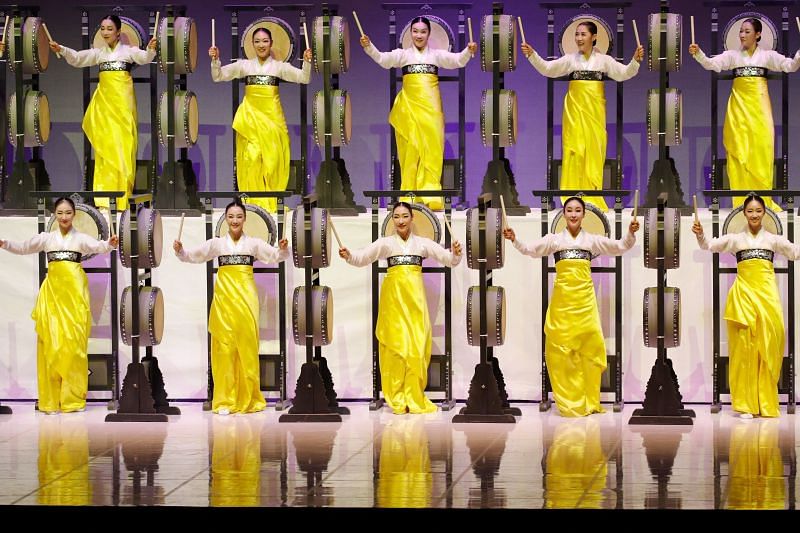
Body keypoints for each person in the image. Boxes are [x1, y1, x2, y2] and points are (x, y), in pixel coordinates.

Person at [503, 196, 639, 416]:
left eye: (578, 210)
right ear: (564, 215)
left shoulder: (592, 240)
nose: (574, 214)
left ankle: (589, 399)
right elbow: (529, 250)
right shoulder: (555, 240)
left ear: (584, 215)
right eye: (569, 210)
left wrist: (631, 233)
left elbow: (621, 246)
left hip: (585, 303)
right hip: (562, 304)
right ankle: (569, 401)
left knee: (591, 348)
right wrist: (514, 239)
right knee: (560, 352)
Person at [339, 201, 462, 413]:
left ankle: (414, 396)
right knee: (395, 351)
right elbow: (361, 258)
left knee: (416, 349)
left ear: (412, 219)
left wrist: (456, 253)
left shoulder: (423, 244)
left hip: (415, 305)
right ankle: (396, 397)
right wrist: (348, 255)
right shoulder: (386, 243)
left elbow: (450, 260)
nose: (401, 221)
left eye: (405, 216)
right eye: (396, 216)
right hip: (393, 305)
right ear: (392, 220)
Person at [0, 197, 119, 414]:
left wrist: (109, 245)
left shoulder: (81, 239)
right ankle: (51, 401)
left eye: (68, 213)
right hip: (53, 296)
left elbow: (99, 246)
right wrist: (5, 243)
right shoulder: (47, 238)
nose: (64, 217)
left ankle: (73, 400)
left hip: (74, 298)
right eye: (60, 213)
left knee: (74, 348)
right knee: (50, 344)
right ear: (54, 214)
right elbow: (24, 247)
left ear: (74, 215)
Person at [173, 199, 289, 415]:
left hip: (246, 300)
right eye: (231, 216)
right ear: (225, 219)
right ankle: (225, 400)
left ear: (245, 219)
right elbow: (192, 256)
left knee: (247, 347)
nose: (235, 220)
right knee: (224, 349)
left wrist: (282, 249)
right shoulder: (217, 244)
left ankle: (249, 398)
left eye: (239, 216)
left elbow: (275, 256)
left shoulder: (253, 244)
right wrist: (181, 251)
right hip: (224, 300)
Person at [693, 194, 799, 418]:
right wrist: (700, 233)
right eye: (750, 211)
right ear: (744, 213)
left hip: (768, 299)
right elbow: (709, 246)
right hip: (743, 298)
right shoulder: (735, 239)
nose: (754, 215)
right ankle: (745, 404)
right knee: (743, 351)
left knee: (769, 347)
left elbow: (795, 252)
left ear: (764, 213)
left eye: (758, 211)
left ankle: (766, 403)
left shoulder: (773, 240)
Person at [522, 21, 643, 211]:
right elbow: (547, 69)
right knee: (574, 150)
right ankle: (572, 199)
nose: (579, 38)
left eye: (583, 34)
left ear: (594, 37)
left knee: (594, 153)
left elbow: (624, 73)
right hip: (574, 112)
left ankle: (591, 198)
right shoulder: (570, 60)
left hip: (595, 113)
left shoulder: (604, 61)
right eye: (577, 34)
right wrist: (532, 55)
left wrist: (635, 60)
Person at [360, 17, 477, 210]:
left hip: (431, 110)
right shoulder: (403, 55)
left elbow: (457, 60)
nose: (419, 35)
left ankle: (431, 193)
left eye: (423, 31)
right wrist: (368, 46)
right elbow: (382, 59)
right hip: (409, 109)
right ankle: (409, 193)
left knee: (432, 149)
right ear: (410, 33)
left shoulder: (437, 55)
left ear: (429, 34)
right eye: (415, 31)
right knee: (410, 151)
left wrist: (468, 51)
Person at [689, 18, 800, 211]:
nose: (742, 35)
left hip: (760, 110)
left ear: (757, 35)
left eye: (747, 31)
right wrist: (698, 54)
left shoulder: (767, 56)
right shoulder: (733, 56)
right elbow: (711, 64)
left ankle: (762, 202)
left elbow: (790, 66)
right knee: (738, 154)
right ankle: (741, 203)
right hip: (738, 110)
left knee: (762, 152)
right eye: (741, 31)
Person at [50, 15, 157, 211]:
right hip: (105, 107)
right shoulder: (99, 53)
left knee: (123, 148)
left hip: (123, 107)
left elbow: (145, 58)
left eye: (109, 29)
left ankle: (122, 197)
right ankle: (103, 199)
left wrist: (150, 48)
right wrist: (62, 49)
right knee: (105, 150)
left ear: (118, 32)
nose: (105, 32)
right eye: (103, 28)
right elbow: (78, 58)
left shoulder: (128, 52)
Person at [210, 28, 312, 212]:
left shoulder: (279, 67)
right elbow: (218, 76)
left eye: (265, 41)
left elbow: (304, 78)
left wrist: (306, 61)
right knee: (251, 159)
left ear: (271, 43)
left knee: (273, 163)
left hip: (272, 120)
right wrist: (215, 60)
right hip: (251, 119)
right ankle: (252, 205)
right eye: (257, 41)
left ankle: (272, 203)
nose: (261, 45)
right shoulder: (244, 65)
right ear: (252, 44)